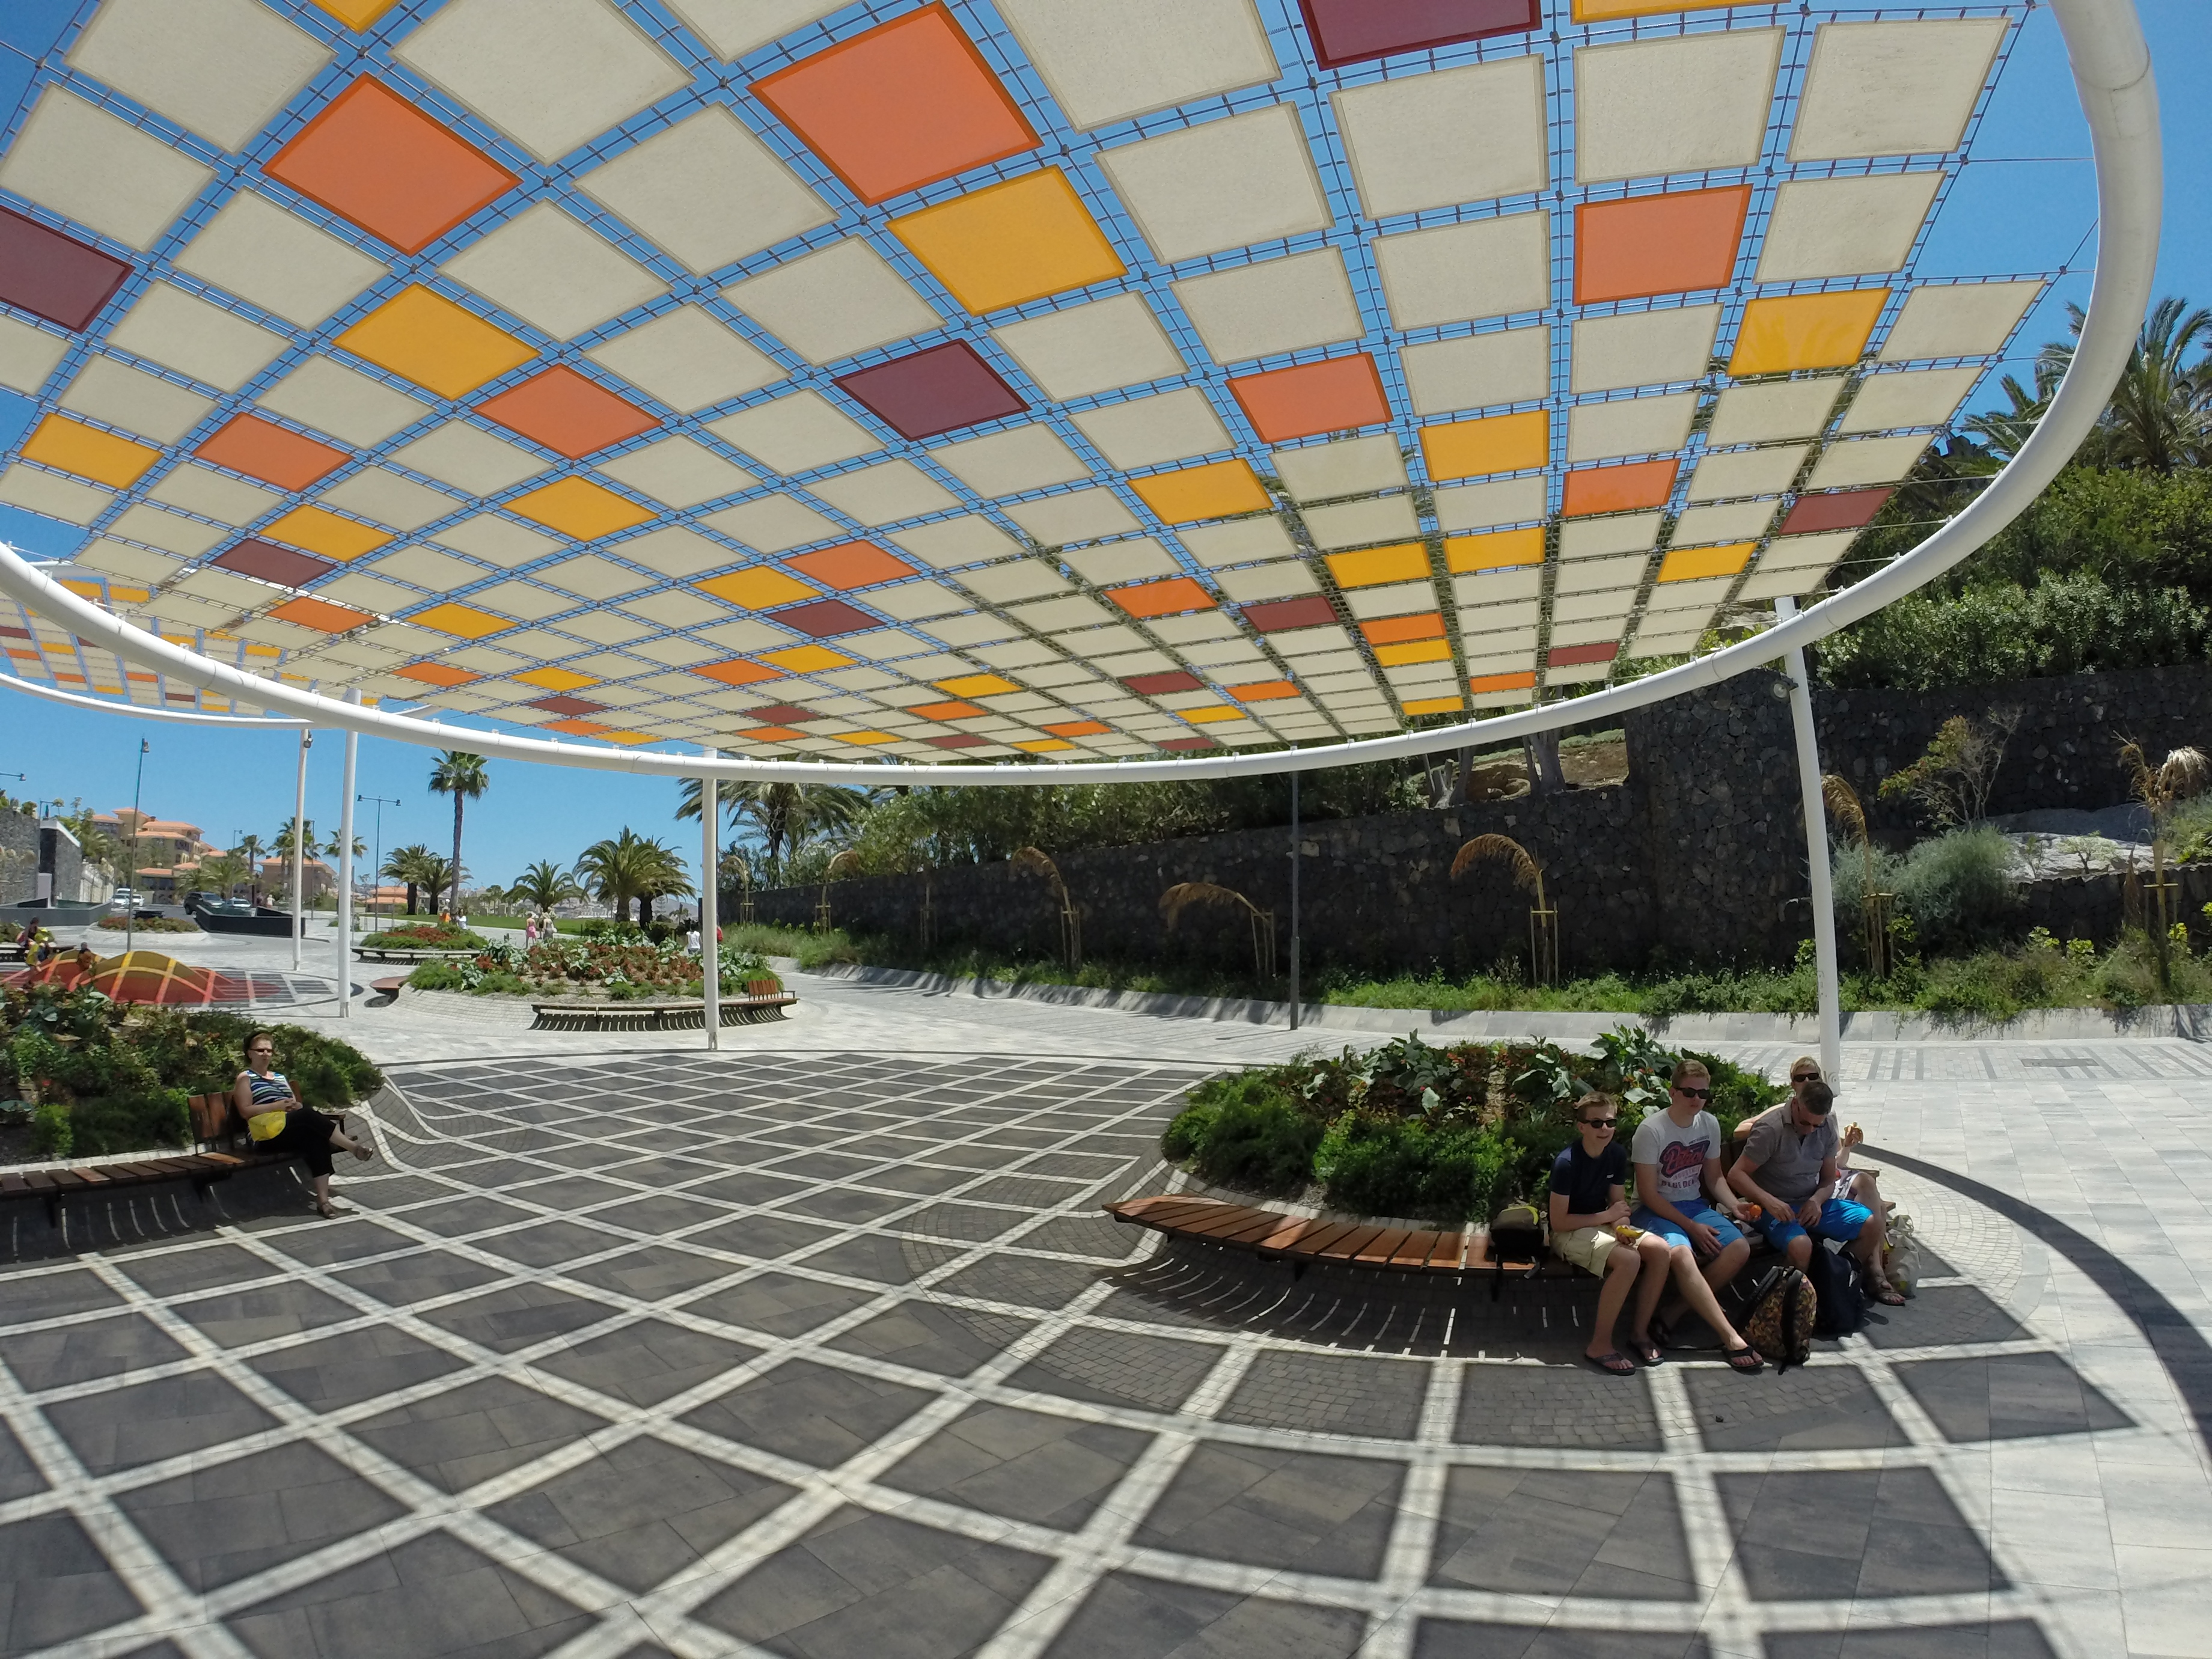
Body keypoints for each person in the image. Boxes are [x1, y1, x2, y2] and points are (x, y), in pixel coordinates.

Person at [1629, 1059, 1764, 1371]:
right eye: (1689, 1092)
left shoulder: (1709, 1124)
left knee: (1738, 1248)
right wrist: (1691, 1227)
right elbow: (1648, 1194)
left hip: (1693, 1205)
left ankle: (1671, 1314)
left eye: (1703, 1094)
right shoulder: (1651, 1131)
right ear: (1672, 1092)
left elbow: (1715, 1177)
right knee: (1682, 1252)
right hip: (1652, 1209)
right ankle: (1729, 1336)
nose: (1697, 1100)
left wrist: (1734, 1207)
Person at [1728, 1075, 1905, 1304]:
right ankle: (1781, 1307)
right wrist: (1769, 1201)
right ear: (1795, 1104)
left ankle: (1835, 1282)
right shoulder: (1770, 1129)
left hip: (1809, 1201)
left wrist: (1817, 1200)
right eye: (1805, 1123)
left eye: (1816, 1125)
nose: (1811, 1130)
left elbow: (1828, 1179)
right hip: (1772, 1207)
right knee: (1802, 1246)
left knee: (1872, 1224)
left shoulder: (1828, 1124)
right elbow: (1736, 1174)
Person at [1548, 1093, 1675, 1375]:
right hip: (1569, 1231)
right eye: (1596, 1124)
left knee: (1660, 1250)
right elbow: (1558, 1222)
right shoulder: (1566, 1163)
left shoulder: (1616, 1154)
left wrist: (1620, 1228)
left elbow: (1618, 1205)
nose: (1604, 1129)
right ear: (1581, 1127)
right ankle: (1600, 1345)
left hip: (1602, 1225)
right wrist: (1609, 1218)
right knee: (1629, 1261)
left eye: (1610, 1122)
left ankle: (1639, 1334)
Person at [233, 1030, 373, 1218]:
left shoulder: (280, 1078)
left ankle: (323, 1202)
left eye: (269, 1050)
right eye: (260, 1050)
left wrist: (294, 1105)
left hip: (287, 1127)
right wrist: (275, 1106)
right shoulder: (245, 1078)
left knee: (316, 1139)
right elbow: (245, 1111)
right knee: (308, 1115)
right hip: (264, 1135)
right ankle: (352, 1147)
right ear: (249, 1053)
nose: (266, 1054)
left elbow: (293, 1104)